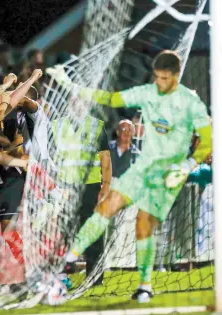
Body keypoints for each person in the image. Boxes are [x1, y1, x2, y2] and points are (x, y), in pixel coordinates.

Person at [47, 50, 212, 301]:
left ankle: (145, 285)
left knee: (143, 225)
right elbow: (110, 98)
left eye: (165, 78)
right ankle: (70, 260)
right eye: (157, 77)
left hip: (166, 173)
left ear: (176, 76)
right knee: (106, 207)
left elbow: (208, 141)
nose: (160, 82)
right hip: (142, 168)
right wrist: (70, 85)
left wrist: (187, 165)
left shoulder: (191, 103)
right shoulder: (147, 93)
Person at [50, 92, 112, 286]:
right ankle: (61, 275)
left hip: (90, 188)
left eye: (82, 101)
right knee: (63, 232)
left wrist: (106, 186)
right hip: (65, 186)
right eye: (74, 100)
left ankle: (95, 275)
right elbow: (51, 157)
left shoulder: (96, 126)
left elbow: (105, 159)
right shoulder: (57, 126)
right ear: (68, 103)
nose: (78, 104)